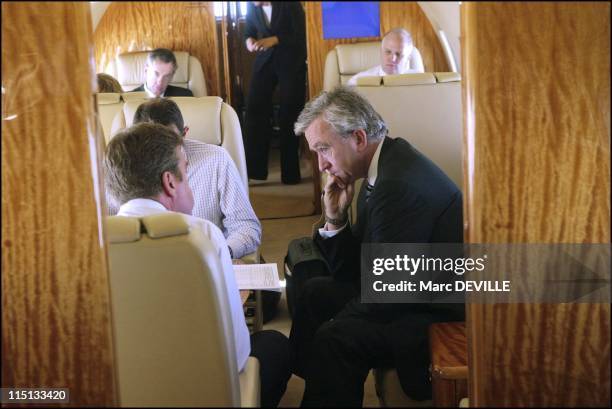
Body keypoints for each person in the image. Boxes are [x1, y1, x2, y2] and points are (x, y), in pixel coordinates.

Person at [289, 86, 464, 406]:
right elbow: (356, 271)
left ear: (357, 138)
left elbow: (385, 296)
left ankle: (321, 380)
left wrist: (336, 322)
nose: (320, 166)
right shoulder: (382, 165)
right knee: (314, 291)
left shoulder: (397, 185)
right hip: (404, 292)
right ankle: (315, 380)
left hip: (434, 311)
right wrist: (336, 219)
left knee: (334, 338)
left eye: (324, 149)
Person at [103, 122, 291, 407]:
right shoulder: (202, 238)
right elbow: (236, 354)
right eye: (186, 171)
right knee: (275, 345)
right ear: (170, 182)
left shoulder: (92, 245)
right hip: (201, 393)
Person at [105, 98, 261, 260]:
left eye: (168, 141)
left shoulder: (217, 160)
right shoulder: (118, 169)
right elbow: (107, 227)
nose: (159, 153)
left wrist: (221, 255)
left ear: (184, 134)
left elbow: (246, 226)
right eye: (149, 144)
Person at [243, 1, 306, 184]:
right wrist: (249, 42)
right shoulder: (252, 6)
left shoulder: (290, 4)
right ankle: (255, 171)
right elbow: (248, 31)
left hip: (291, 60)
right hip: (265, 59)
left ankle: (290, 175)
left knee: (290, 114)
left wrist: (276, 39)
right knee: (254, 108)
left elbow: (301, 33)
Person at [347, 28, 425, 86]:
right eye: (388, 52)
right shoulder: (357, 82)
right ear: (380, 51)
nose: (393, 59)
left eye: (398, 54)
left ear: (408, 58)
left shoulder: (423, 82)